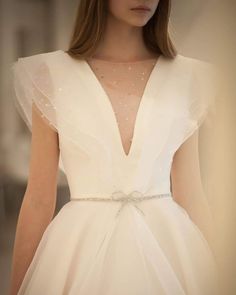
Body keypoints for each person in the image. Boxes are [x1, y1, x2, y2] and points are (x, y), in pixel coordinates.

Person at [9, 0, 220, 294]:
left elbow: (191, 192)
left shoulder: (187, 78)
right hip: (78, 250)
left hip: (170, 246)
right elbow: (39, 200)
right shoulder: (53, 75)